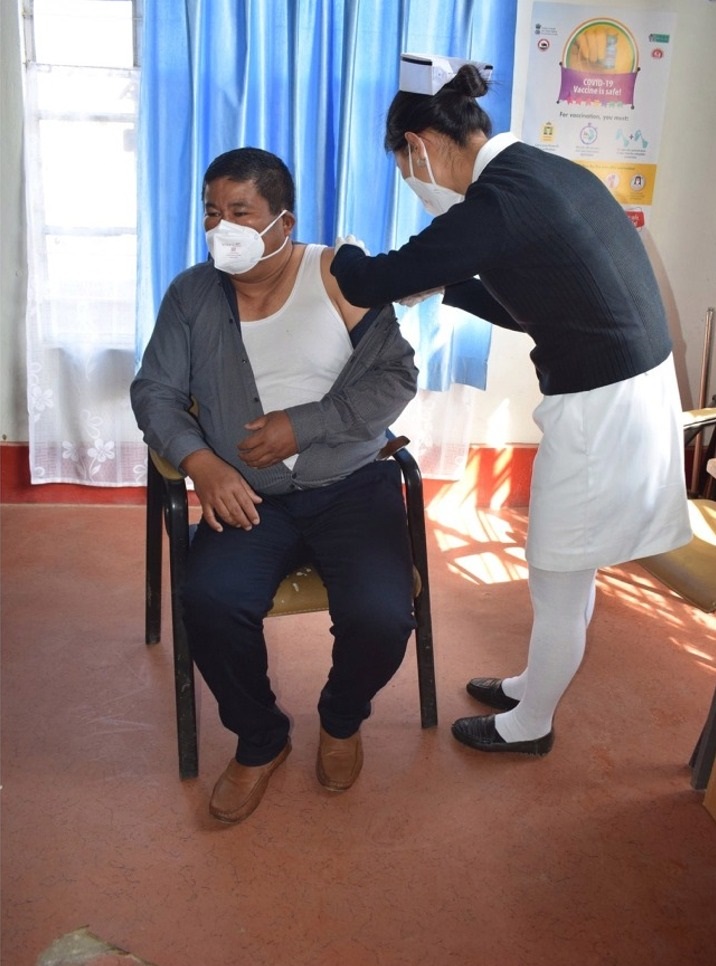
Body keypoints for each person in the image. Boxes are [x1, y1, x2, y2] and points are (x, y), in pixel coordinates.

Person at [330, 57, 692, 759]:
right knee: (572, 563)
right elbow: (535, 302)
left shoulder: (495, 202)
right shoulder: (539, 172)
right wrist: (444, 288)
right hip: (626, 390)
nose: (413, 185)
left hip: (603, 408)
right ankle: (534, 685)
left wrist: (338, 255)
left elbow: (371, 280)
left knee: (558, 569)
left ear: (419, 146)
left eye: (404, 169)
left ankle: (531, 726)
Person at [131, 148, 418, 823]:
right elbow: (155, 392)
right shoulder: (192, 295)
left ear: (282, 223)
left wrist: (305, 424)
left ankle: (342, 719)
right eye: (211, 213)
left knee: (382, 615)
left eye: (240, 213)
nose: (220, 228)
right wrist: (200, 463)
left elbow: (396, 377)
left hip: (351, 483)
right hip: (248, 493)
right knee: (209, 601)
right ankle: (260, 738)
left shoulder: (338, 275)